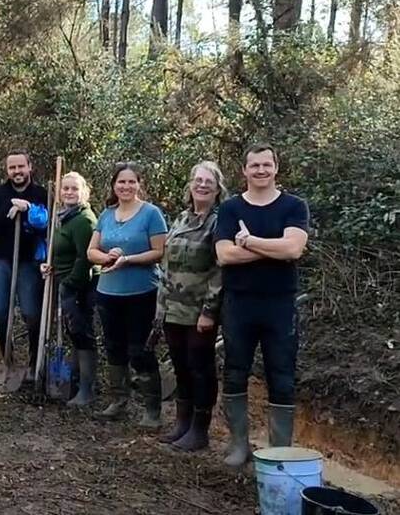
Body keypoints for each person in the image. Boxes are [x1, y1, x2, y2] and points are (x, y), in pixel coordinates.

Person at [215, 144, 309, 467]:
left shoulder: (294, 206)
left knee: (281, 376)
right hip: (239, 303)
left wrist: (250, 241)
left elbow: (294, 250)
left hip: (280, 305)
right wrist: (274, 248)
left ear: (275, 168)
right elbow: (225, 255)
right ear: (244, 171)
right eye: (254, 165)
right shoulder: (229, 209)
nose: (260, 171)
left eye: (266, 165)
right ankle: (239, 445)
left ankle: (278, 452)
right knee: (235, 372)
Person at [87, 162, 167, 427]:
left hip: (141, 292)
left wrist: (129, 259)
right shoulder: (107, 215)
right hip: (108, 292)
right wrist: (107, 257)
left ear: (139, 184)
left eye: (131, 181)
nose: (126, 186)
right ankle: (118, 401)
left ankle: (151, 410)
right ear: (114, 185)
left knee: (140, 350)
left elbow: (159, 251)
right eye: (121, 182)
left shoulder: (151, 214)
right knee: (113, 348)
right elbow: (91, 252)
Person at [155, 161, 226, 452]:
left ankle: (200, 429)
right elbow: (166, 265)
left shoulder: (219, 222)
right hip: (173, 307)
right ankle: (182, 423)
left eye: (209, 181)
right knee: (181, 366)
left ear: (217, 188)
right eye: (198, 180)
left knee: (201, 367)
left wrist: (210, 311)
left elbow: (220, 269)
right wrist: (160, 306)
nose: (202, 185)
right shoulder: (181, 219)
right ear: (190, 185)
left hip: (199, 310)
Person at [0, 150, 49, 376]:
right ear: (7, 170)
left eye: (21, 166)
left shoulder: (41, 194)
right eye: (12, 168)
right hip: (2, 260)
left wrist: (27, 208)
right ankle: (7, 360)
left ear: (29, 167)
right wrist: (10, 208)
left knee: (32, 313)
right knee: (1, 312)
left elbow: (47, 226)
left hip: (30, 262)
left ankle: (34, 361)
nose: (17, 171)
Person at [41, 171, 100, 406]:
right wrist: (50, 265)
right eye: (65, 188)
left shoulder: (84, 220)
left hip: (80, 286)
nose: (69, 192)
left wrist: (68, 284)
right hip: (66, 281)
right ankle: (75, 384)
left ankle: (86, 390)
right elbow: (61, 250)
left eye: (74, 189)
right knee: (74, 333)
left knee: (82, 334)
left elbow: (85, 259)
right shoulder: (64, 216)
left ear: (84, 192)